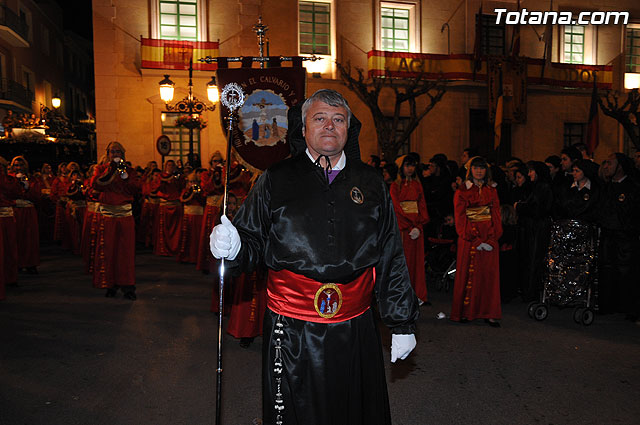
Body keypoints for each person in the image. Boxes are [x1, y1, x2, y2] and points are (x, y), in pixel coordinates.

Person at [209, 89, 419, 425]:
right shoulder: (275, 179)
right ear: (303, 129)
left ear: (349, 129)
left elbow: (390, 253)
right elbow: (250, 239)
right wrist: (232, 248)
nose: (329, 127)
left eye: (338, 120)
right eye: (319, 119)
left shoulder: (371, 182)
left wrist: (401, 321)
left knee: (353, 411)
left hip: (355, 326)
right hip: (291, 328)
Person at [450, 156, 502, 327]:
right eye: (475, 168)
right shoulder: (462, 191)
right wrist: (475, 238)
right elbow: (460, 217)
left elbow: (496, 215)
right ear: (469, 170)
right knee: (468, 273)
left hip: (489, 237)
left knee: (489, 275)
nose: (479, 171)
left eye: (482, 168)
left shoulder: (491, 191)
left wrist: (492, 237)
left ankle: (489, 312)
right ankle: (465, 312)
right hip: (469, 237)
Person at [91, 142, 141, 299]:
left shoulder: (129, 171)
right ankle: (110, 284)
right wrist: (110, 170)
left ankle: (128, 285)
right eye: (112, 151)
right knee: (108, 250)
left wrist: (125, 177)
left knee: (126, 252)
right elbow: (95, 185)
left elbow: (136, 189)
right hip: (108, 216)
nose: (115, 154)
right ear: (108, 154)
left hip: (125, 215)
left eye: (118, 151)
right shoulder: (101, 170)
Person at [598, 153, 640, 320]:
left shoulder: (633, 187)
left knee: (627, 272)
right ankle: (608, 304)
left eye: (609, 163)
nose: (606, 166)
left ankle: (629, 308)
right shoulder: (606, 187)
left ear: (620, 166)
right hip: (608, 236)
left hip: (625, 238)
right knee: (607, 269)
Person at [391, 154, 430, 305]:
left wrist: (419, 226)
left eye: (412, 166)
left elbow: (422, 206)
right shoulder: (395, 185)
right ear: (401, 167)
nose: (410, 168)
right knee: (403, 261)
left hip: (416, 229)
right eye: (407, 165)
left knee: (417, 262)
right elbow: (396, 207)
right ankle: (401, 294)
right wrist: (408, 226)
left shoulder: (418, 185)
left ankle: (417, 293)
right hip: (404, 230)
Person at [515, 161, 553, 302]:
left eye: (531, 171)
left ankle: (531, 292)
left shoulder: (543, 187)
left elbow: (536, 209)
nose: (529, 174)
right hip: (533, 228)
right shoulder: (537, 187)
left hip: (537, 229)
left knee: (534, 259)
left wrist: (519, 207)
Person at [9, 156, 40, 274]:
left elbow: (37, 196)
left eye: (21, 165)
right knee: (16, 238)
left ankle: (30, 263)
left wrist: (27, 189)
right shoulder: (9, 179)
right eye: (16, 165)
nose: (19, 168)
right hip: (15, 211)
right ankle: (17, 264)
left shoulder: (32, 179)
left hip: (28, 211)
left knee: (30, 237)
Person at [151, 160, 185, 256]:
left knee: (176, 230)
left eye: (172, 165)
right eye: (168, 165)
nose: (170, 167)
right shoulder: (160, 177)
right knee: (164, 230)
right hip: (165, 205)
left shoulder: (178, 177)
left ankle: (176, 248)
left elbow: (182, 187)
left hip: (175, 204)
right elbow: (155, 188)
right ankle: (163, 249)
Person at [0, 156, 21, 299]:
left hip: (6, 215)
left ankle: (9, 277)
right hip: (5, 215)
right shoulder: (7, 179)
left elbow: (13, 192)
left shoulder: (7, 178)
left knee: (8, 248)